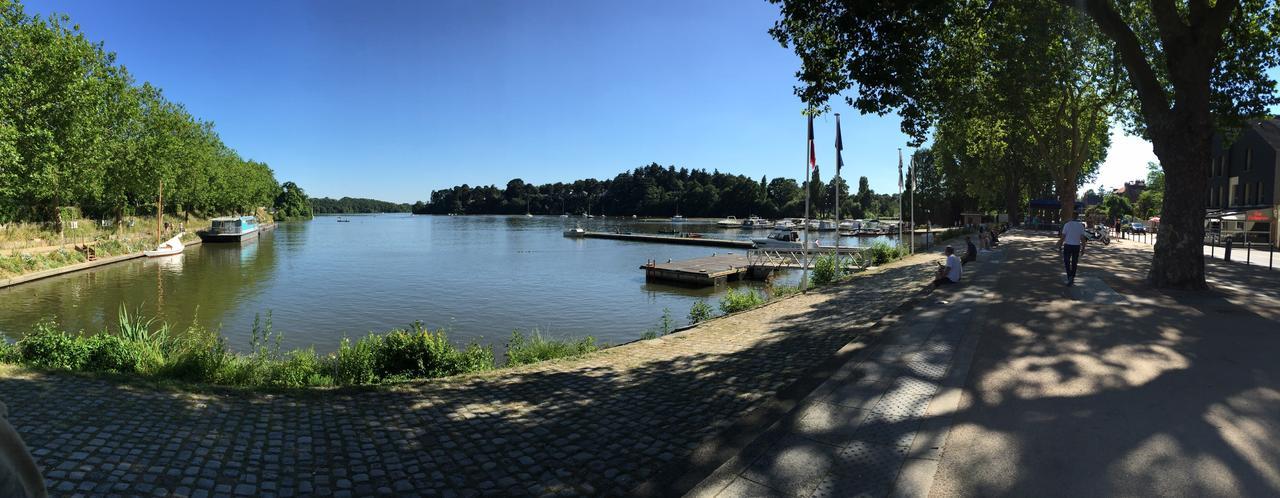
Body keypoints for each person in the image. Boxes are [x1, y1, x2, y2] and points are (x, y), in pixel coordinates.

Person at [1056, 214, 1088, 286]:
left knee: (1066, 261)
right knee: (1074, 262)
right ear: (1077, 217)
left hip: (1068, 245)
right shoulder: (1081, 226)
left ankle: (1069, 276)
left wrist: (1060, 245)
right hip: (1076, 246)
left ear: (1071, 217)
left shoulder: (1067, 225)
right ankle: (1072, 276)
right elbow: (1082, 238)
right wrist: (1083, 248)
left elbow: (1063, 237)